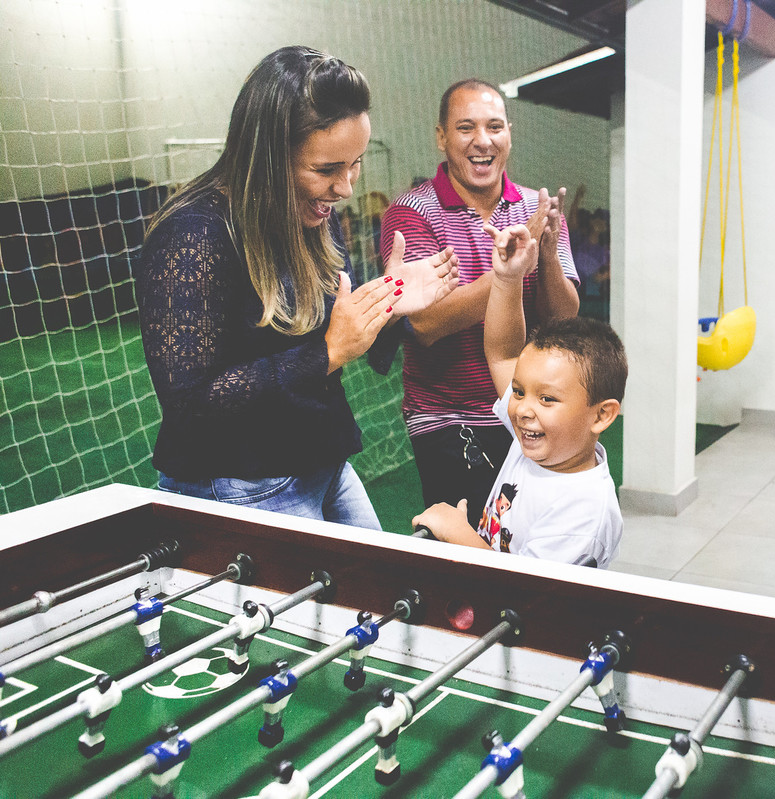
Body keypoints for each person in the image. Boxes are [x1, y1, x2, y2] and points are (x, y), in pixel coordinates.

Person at [136, 46, 457, 529]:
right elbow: (190, 404)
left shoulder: (310, 215)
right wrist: (326, 353)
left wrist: (387, 304)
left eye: (355, 164)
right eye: (326, 170)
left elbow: (338, 339)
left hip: (319, 461)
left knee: (376, 598)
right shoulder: (193, 234)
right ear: (266, 157)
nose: (346, 187)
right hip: (240, 480)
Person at [376, 78, 580, 525]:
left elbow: (563, 318)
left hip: (529, 409)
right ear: (442, 137)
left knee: (531, 549)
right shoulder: (412, 213)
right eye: (466, 127)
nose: (482, 141)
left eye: (494, 126)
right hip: (449, 418)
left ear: (509, 133)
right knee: (469, 553)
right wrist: (508, 271)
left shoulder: (535, 208)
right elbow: (425, 325)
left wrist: (543, 255)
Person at [413, 219, 623, 568]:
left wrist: (459, 535)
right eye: (520, 391)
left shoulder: (584, 511)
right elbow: (505, 354)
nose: (522, 409)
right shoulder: (546, 443)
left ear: (601, 415)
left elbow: (524, 591)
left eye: (547, 399)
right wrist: (508, 279)